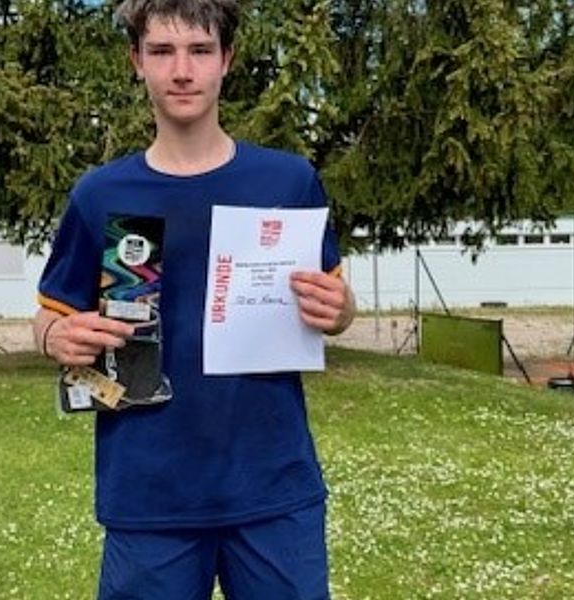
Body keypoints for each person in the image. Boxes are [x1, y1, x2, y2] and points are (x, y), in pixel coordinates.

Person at [32, 0, 355, 597]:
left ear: (226, 59)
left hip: (273, 486)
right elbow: (51, 315)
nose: (182, 71)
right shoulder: (100, 193)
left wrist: (340, 312)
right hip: (148, 492)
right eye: (162, 51)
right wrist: (56, 336)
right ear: (136, 61)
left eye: (200, 50)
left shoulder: (287, 181)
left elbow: (336, 300)